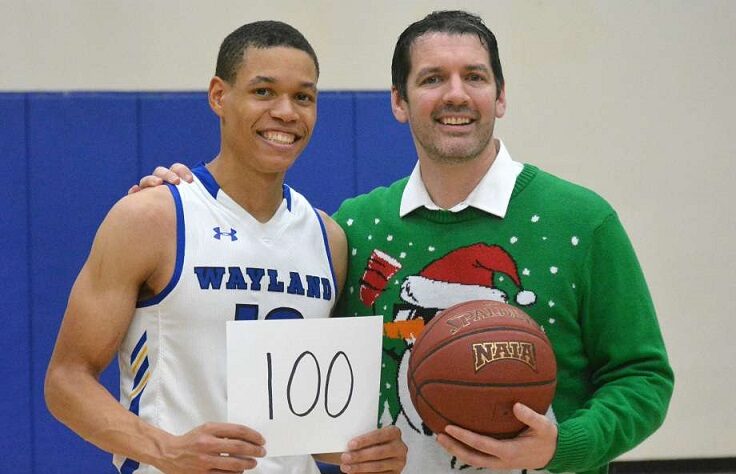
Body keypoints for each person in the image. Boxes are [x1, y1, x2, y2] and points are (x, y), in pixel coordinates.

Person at [136, 10, 674, 474]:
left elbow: (643, 377)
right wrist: (188, 197)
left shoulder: (581, 220)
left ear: (501, 96)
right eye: (433, 78)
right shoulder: (357, 227)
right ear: (399, 100)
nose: (456, 94)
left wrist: (564, 445)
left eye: (475, 77)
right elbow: (313, 396)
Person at [45, 21, 406, 474]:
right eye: (264, 91)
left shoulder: (327, 238)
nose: (286, 112)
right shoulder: (153, 217)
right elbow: (66, 381)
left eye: (303, 97)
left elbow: (303, 422)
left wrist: (365, 452)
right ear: (219, 96)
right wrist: (166, 449)